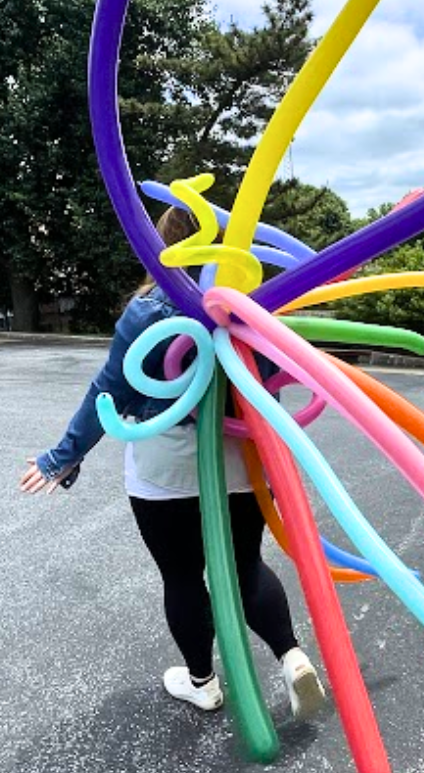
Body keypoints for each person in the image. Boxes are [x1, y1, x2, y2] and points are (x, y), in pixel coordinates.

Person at [20, 205, 325, 720]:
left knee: (182, 577)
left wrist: (62, 458)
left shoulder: (147, 310)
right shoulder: (254, 307)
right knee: (245, 565)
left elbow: (109, 391)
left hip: (165, 464)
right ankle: (292, 657)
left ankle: (203, 684)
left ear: (160, 249)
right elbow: (277, 376)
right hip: (241, 461)